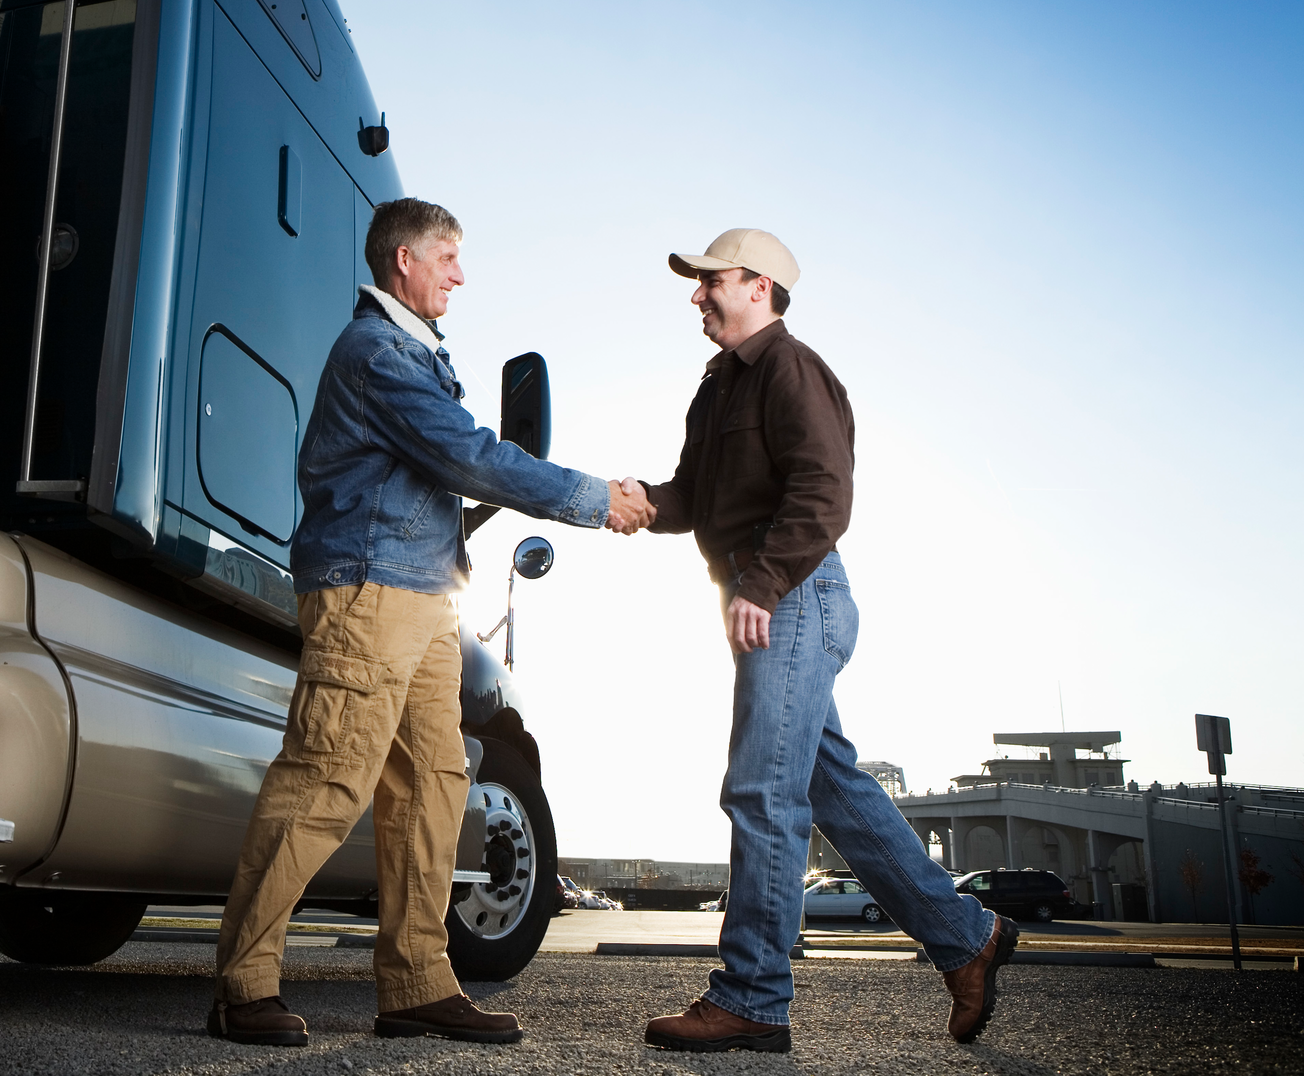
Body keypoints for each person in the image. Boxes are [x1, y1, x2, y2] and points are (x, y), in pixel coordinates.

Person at [207, 197, 655, 1047]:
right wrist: (599, 500)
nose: (460, 273)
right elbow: (469, 454)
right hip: (370, 592)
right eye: (448, 256)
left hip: (418, 598)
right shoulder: (378, 353)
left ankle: (415, 983)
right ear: (403, 261)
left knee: (434, 787)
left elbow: (447, 473)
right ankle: (242, 985)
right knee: (327, 778)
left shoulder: (414, 353)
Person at [637, 228, 1014, 1053]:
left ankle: (753, 997)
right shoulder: (717, 389)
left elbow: (823, 490)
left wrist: (763, 585)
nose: (698, 295)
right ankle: (964, 937)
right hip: (769, 594)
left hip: (796, 594)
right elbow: (694, 497)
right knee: (829, 789)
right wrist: (633, 502)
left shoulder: (789, 368)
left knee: (761, 792)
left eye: (713, 281)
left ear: (761, 286)